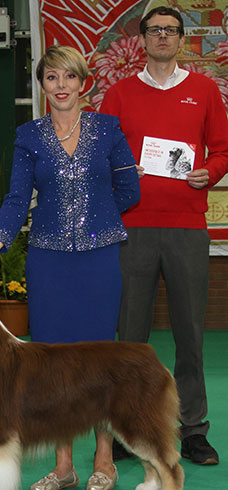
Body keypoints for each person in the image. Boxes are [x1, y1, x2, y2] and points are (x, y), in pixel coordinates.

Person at [0, 46, 139, 490]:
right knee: (52, 365)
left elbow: (128, 189)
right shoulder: (30, 136)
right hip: (48, 263)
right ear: (42, 86)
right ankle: (64, 466)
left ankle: (105, 460)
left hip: (100, 260)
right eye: (51, 78)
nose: (60, 86)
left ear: (84, 83)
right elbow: (17, 200)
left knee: (100, 360)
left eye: (69, 77)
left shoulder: (108, 129)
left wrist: (95, 222)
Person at [100, 6, 228, 466]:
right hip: (131, 227)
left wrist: (208, 172)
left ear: (181, 40)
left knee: (190, 332)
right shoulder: (119, 93)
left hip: (186, 227)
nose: (162, 37)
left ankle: (192, 428)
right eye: (154, 30)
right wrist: (120, 173)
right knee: (130, 336)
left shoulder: (204, 90)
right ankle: (124, 428)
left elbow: (224, 150)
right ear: (142, 39)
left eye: (170, 31)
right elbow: (103, 151)